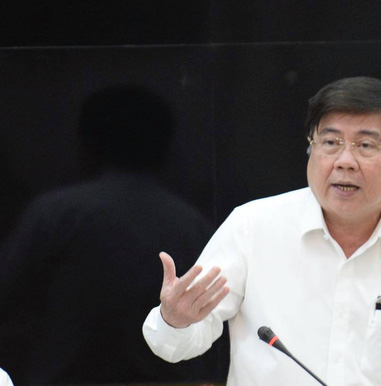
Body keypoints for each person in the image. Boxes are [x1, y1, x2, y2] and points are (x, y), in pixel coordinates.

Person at [143, 77, 381, 385]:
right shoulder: (253, 228)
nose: (344, 161)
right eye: (330, 143)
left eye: (365, 145)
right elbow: (178, 345)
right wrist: (174, 321)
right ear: (311, 148)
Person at [0, 85, 226, 384]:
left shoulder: (54, 213)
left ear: (88, 144)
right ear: (165, 146)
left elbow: (8, 294)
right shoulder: (191, 223)